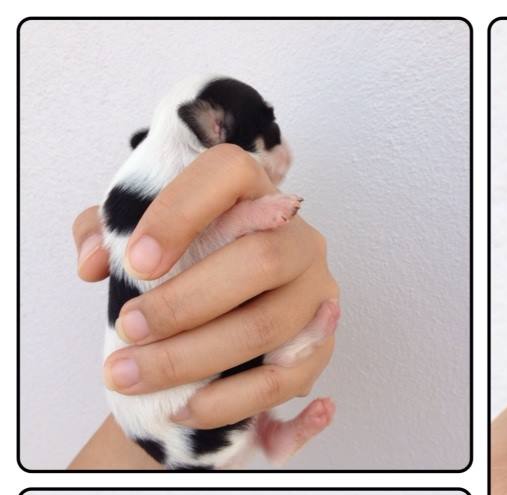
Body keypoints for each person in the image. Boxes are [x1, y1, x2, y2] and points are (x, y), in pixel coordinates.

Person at [69, 144, 339, 469]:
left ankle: (266, 434)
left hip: (179, 426)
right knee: (261, 362)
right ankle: (266, 433)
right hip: (180, 428)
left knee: (246, 367)